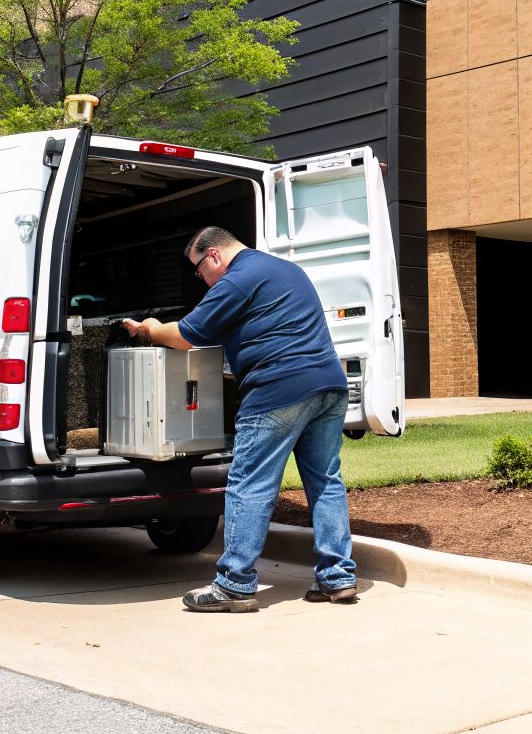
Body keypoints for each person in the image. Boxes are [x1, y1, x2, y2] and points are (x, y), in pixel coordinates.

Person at [122, 226, 358, 613]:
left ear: (213, 255)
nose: (201, 279)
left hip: (278, 390)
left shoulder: (236, 280)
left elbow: (184, 336)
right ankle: (337, 578)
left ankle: (234, 584)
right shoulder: (285, 270)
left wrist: (149, 329)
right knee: (326, 482)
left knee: (250, 484)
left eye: (199, 270)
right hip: (329, 386)